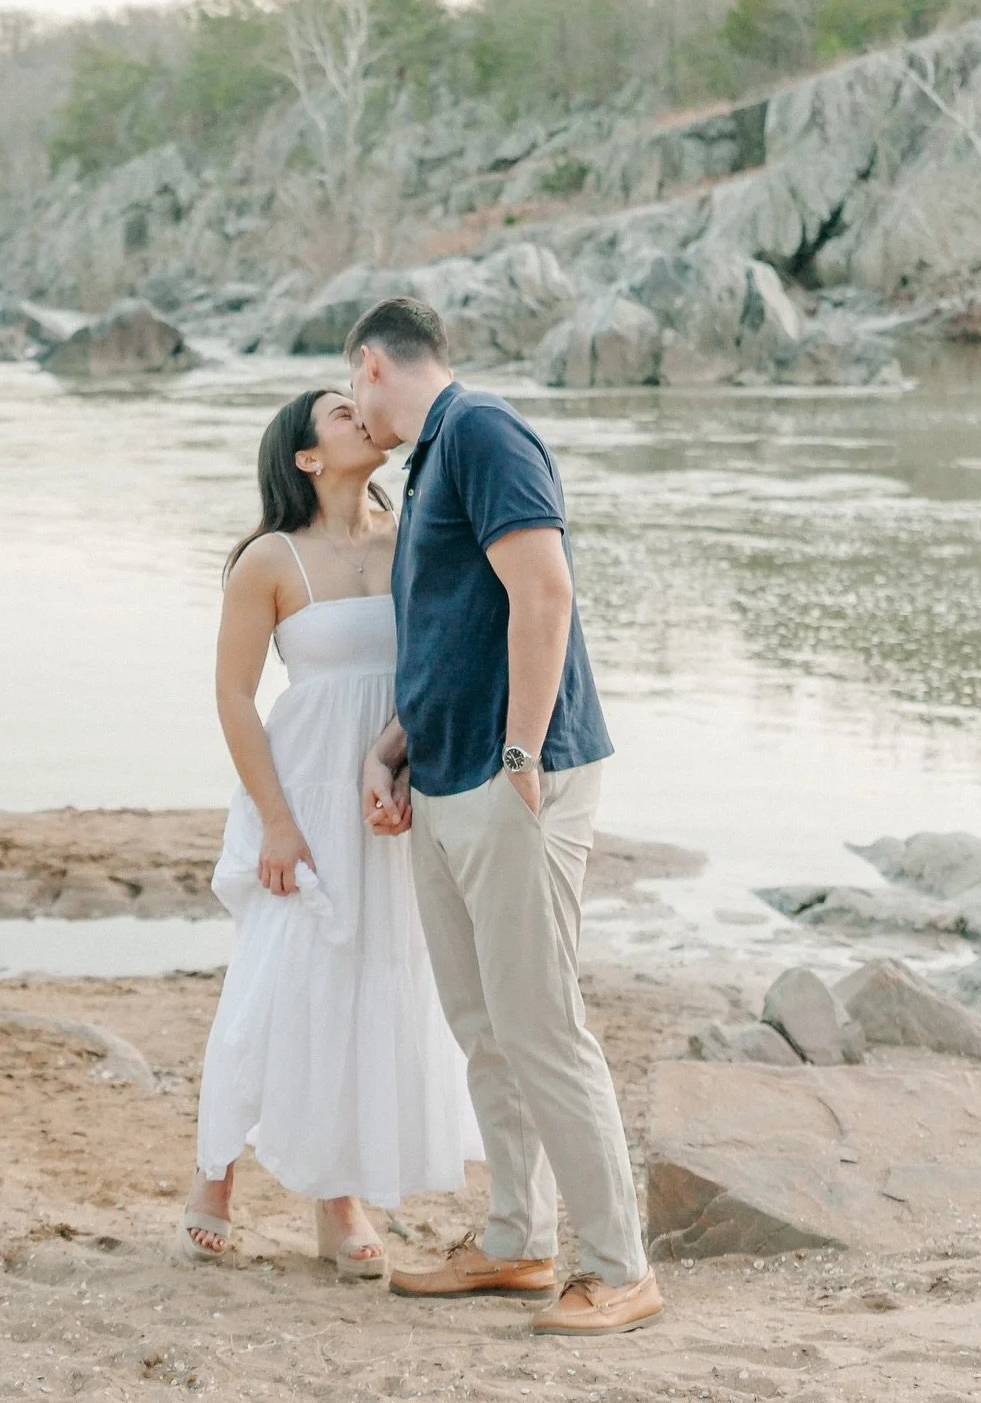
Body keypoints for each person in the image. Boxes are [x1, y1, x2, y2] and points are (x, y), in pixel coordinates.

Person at [347, 298, 662, 1336]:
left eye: (351, 387)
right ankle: (518, 1240)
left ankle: (618, 1267)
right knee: (484, 1028)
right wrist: (392, 750)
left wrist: (522, 751)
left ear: (371, 365)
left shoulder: (483, 431)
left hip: (513, 777)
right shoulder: (430, 460)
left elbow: (545, 594)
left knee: (542, 1026)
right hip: (446, 777)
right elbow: (450, 636)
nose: (354, 408)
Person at [180, 388, 478, 1278]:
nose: (361, 416)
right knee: (277, 981)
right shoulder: (269, 560)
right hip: (304, 793)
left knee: (372, 980)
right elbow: (234, 695)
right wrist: (276, 822)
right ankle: (214, 1172)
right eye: (341, 413)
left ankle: (338, 1199)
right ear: (306, 458)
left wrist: (410, 767)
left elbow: (439, 662)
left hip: (390, 791)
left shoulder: (411, 536)